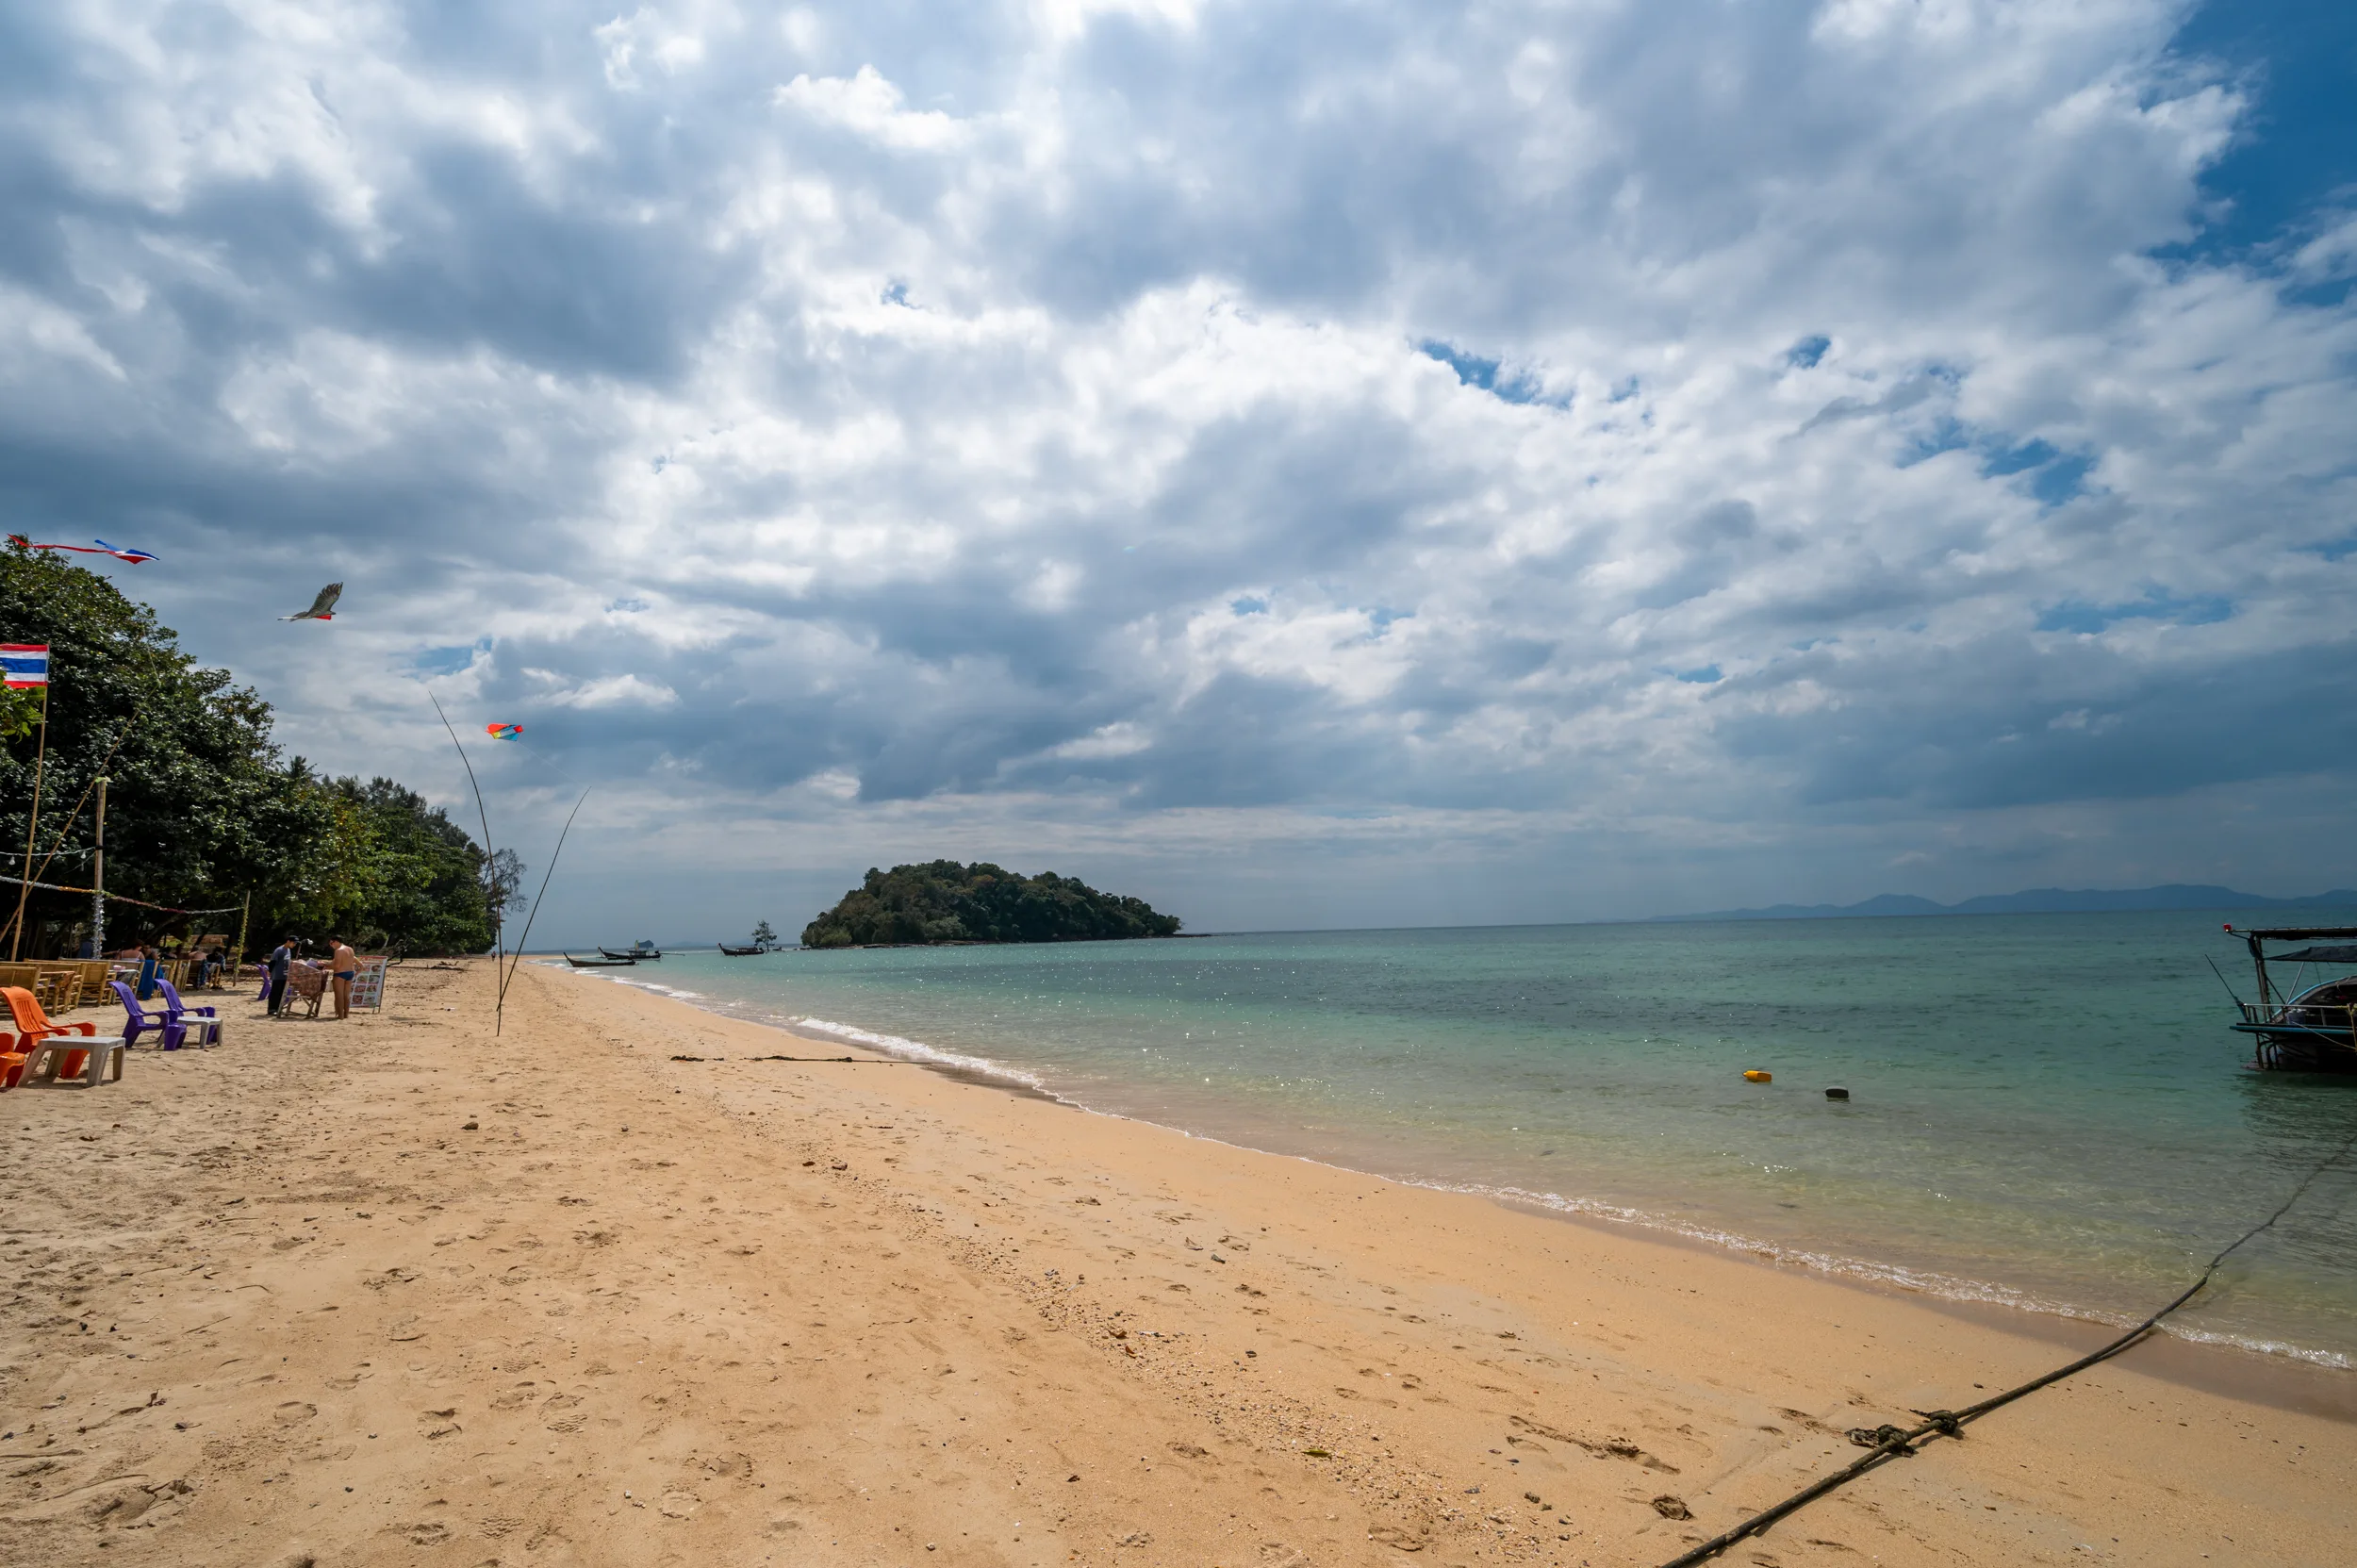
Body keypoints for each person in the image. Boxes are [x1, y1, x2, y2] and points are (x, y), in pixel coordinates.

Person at [327, 934, 357, 1020]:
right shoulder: (350, 949)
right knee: (346, 995)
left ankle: (340, 1016)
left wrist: (325, 965)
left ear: (336, 941)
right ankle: (346, 1014)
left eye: (331, 943)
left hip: (340, 973)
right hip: (350, 972)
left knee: (339, 996)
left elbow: (337, 966)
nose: (331, 945)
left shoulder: (338, 951)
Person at [266, 934, 297, 1017]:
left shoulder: (288, 950)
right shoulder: (279, 950)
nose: (294, 945)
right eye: (293, 943)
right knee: (275, 992)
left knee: (281, 992)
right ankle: (272, 1009)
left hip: (285, 975)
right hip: (277, 974)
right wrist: (270, 971)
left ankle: (278, 1008)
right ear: (288, 941)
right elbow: (273, 961)